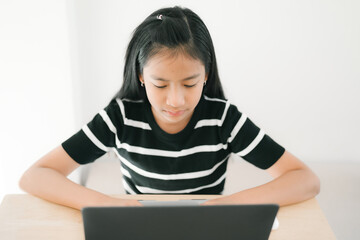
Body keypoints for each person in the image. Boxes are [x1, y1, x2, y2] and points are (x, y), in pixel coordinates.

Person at [19, 6, 320, 210]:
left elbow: (305, 179)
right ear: (140, 76)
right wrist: (107, 204)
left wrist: (226, 206)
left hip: (207, 230)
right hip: (138, 229)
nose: (175, 100)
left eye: (189, 84)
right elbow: (35, 176)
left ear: (206, 74)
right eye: (160, 85)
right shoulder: (120, 118)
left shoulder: (223, 118)